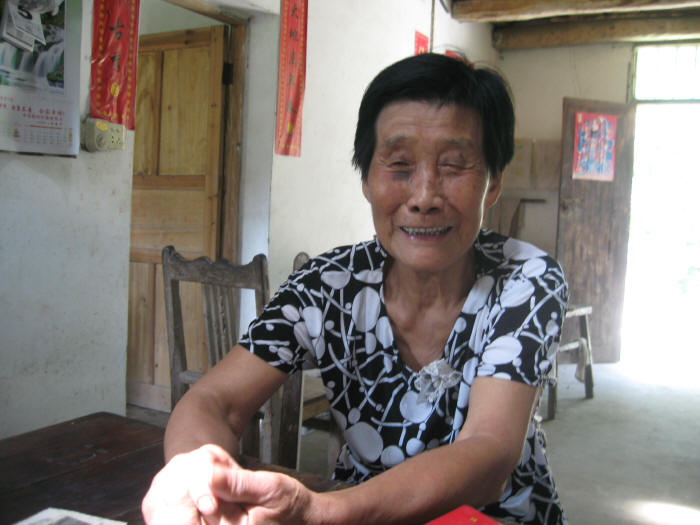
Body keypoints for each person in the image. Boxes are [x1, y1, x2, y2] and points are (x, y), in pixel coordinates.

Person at [142, 53, 569, 525]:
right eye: (399, 165)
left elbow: (488, 451)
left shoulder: (526, 280)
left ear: (493, 183)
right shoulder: (327, 285)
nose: (424, 197)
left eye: (454, 166)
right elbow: (213, 403)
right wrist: (193, 476)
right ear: (366, 178)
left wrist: (321, 511)